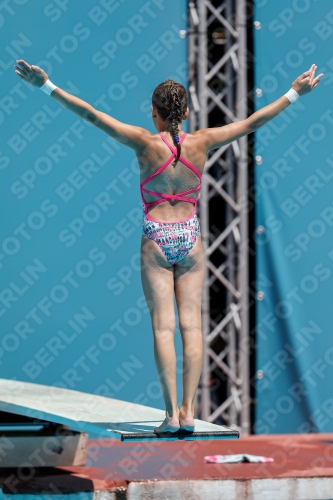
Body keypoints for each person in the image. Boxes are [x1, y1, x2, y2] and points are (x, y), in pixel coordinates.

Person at [14, 60, 323, 434]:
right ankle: (189, 412)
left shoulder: (144, 142)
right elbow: (252, 122)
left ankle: (168, 415)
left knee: (164, 328)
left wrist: (46, 86)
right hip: (190, 239)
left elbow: (92, 115)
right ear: (188, 112)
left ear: (154, 113)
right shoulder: (203, 141)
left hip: (156, 239)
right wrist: (294, 93)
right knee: (192, 326)